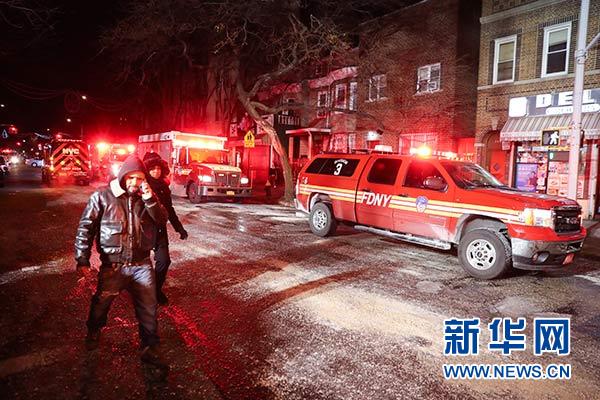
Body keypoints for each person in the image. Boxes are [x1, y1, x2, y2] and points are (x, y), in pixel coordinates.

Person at [75, 155, 169, 370]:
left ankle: (150, 346)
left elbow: (161, 219)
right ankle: (94, 330)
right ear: (123, 176)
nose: (135, 182)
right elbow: (85, 228)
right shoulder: (102, 196)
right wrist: (82, 259)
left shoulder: (146, 197)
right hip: (113, 265)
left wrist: (150, 199)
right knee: (101, 303)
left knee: (148, 308)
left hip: (142, 264)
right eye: (131, 177)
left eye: (140, 178)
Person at [143, 152, 188, 305]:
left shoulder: (164, 187)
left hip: (160, 230)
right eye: (152, 169)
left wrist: (179, 228)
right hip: (143, 230)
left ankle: (155, 290)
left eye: (158, 168)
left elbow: (169, 209)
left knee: (164, 261)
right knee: (139, 264)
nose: (156, 171)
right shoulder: (141, 186)